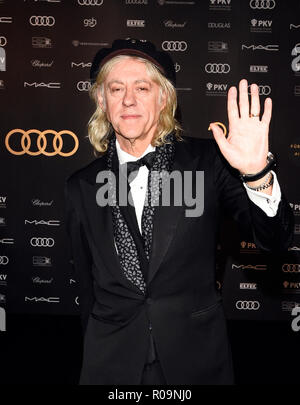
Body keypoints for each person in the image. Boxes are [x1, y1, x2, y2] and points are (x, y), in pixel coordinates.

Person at [64, 38, 294, 385]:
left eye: (142, 87)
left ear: (164, 98)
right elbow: (86, 288)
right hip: (109, 363)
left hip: (196, 362)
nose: (128, 99)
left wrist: (256, 173)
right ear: (101, 100)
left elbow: (274, 241)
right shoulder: (80, 186)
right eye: (116, 88)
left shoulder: (209, 164)